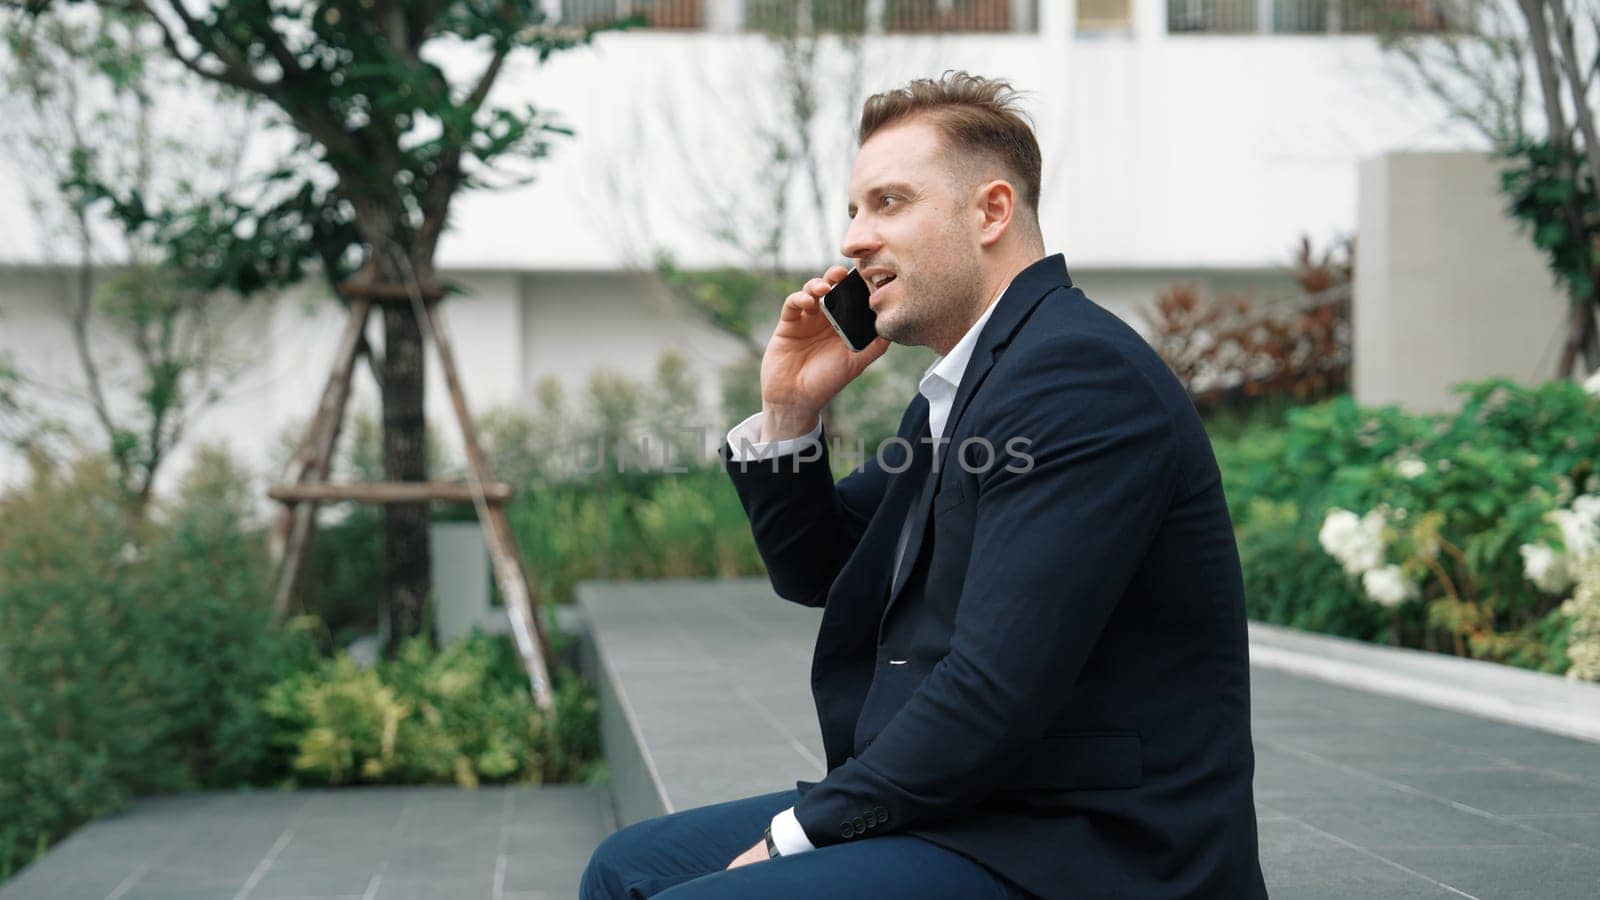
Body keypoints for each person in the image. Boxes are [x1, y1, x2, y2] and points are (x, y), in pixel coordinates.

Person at [580, 71, 1267, 900]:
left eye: (890, 202)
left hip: (1084, 842)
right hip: (979, 808)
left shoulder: (1076, 378)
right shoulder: (971, 384)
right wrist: (791, 411)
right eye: (854, 211)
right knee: (626, 867)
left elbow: (991, 690)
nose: (856, 240)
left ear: (991, 212)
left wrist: (795, 836)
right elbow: (824, 569)